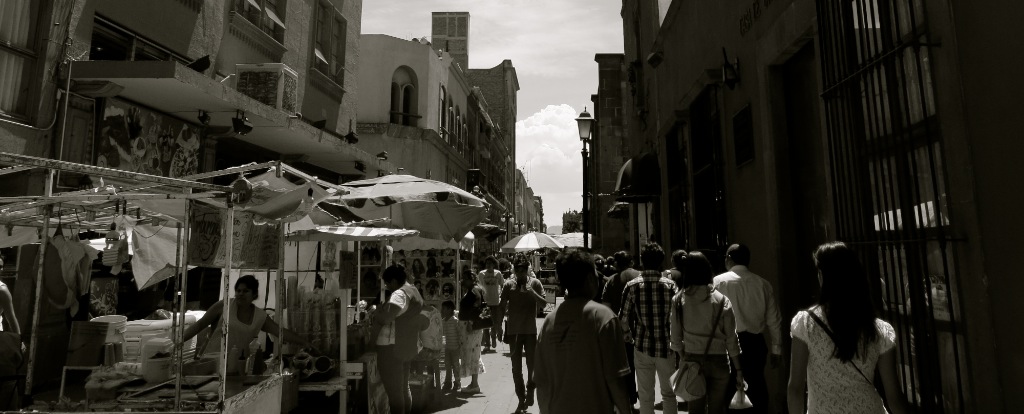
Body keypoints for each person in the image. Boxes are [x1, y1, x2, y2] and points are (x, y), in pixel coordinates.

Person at [788, 242, 910, 414]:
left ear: (822, 277)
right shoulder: (879, 330)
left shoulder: (806, 324)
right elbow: (894, 397)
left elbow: (795, 389)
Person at [534, 248, 633, 414]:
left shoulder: (549, 322)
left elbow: (541, 383)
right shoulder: (604, 317)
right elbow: (615, 380)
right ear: (589, 278)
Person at [671, 252, 743, 414]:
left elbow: (675, 339)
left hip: (692, 360)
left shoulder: (678, 300)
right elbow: (731, 340)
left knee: (695, 410)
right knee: (717, 410)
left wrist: (684, 357)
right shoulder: (722, 300)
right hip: (719, 361)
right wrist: (738, 370)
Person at [712, 244, 781, 413]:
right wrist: (776, 349)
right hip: (755, 343)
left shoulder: (718, 282)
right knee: (757, 386)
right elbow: (774, 320)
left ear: (729, 258)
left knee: (730, 389)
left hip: (728, 344)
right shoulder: (763, 284)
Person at [183, 275, 309, 366]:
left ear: (254, 295)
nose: (240, 294)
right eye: (238, 290)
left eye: (245, 291)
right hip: (210, 363)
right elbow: (199, 325)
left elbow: (280, 332)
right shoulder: (224, 305)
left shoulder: (260, 316)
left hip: (237, 367)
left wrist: (306, 343)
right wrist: (179, 341)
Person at [619, 242, 678, 414]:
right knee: (669, 394)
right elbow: (678, 317)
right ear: (661, 261)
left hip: (642, 346)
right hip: (667, 347)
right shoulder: (671, 286)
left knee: (645, 396)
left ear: (642, 260)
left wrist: (627, 333)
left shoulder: (632, 286)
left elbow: (623, 318)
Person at [368, 265, 424, 414]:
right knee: (403, 389)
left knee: (395, 394)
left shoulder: (399, 294)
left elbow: (386, 318)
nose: (387, 287)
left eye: (387, 283)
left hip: (391, 348)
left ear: (393, 281)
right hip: (406, 344)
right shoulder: (413, 290)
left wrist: (377, 312)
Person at [498, 257, 547, 411]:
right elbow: (501, 306)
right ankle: (521, 397)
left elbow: (544, 304)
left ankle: (531, 388)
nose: (520, 273)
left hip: (530, 331)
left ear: (527, 270)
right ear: (514, 270)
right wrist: (498, 327)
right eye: (517, 270)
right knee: (516, 368)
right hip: (514, 332)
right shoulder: (508, 285)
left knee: (532, 366)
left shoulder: (535, 283)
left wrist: (532, 292)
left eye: (523, 270)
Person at [601, 250, 642, 405]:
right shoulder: (640, 276)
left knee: (625, 365)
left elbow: (606, 307)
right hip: (642, 329)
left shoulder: (611, 281)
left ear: (616, 264)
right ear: (631, 262)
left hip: (620, 331)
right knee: (644, 367)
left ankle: (629, 397)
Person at [457, 272, 486, 394]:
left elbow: (477, 307)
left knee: (473, 354)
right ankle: (474, 383)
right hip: (469, 326)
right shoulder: (474, 290)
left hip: (470, 327)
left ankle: (474, 385)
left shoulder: (474, 291)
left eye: (465, 279)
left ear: (471, 279)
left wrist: (470, 322)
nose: (463, 281)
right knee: (472, 353)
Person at [477, 256, 504, 353]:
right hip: (485, 302)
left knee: (495, 323)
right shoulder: (481, 274)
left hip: (496, 302)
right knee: (485, 323)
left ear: (494, 264)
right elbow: (478, 286)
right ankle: (487, 345)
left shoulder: (498, 273)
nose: (488, 265)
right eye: (487, 263)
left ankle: (493, 338)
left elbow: (502, 285)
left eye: (490, 263)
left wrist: (501, 296)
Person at [440, 300, 463, 391]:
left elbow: (460, 333)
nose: (442, 310)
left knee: (456, 365)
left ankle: (457, 382)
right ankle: (448, 382)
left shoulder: (455, 321)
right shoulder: (443, 321)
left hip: (455, 348)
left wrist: (460, 345)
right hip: (448, 348)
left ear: (450, 310)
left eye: (444, 308)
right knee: (447, 365)